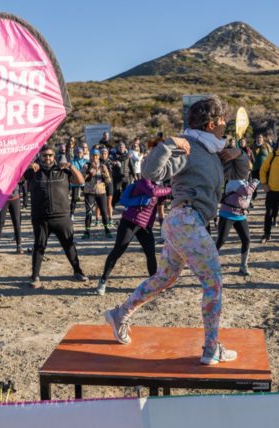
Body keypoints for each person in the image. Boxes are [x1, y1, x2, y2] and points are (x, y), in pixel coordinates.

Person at [104, 96, 247, 365]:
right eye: (222, 120)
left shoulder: (214, 150)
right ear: (211, 122)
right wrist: (167, 145)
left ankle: (120, 313)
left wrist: (239, 154)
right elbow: (150, 171)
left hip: (183, 223)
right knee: (213, 282)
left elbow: (241, 174)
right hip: (186, 220)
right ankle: (211, 348)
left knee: (165, 278)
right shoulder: (189, 146)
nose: (225, 124)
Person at [95, 178, 172, 296]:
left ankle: (154, 284)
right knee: (118, 251)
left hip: (145, 226)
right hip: (129, 222)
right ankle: (103, 281)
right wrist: (171, 189)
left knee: (151, 253)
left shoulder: (161, 186)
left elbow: (160, 207)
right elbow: (153, 192)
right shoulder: (145, 181)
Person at [26, 146, 89, 288]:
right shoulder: (34, 172)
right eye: (44, 156)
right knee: (39, 246)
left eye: (50, 155)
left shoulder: (63, 170)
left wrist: (71, 166)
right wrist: (26, 166)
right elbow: (17, 179)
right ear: (40, 156)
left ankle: (78, 272)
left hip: (62, 216)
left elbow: (80, 181)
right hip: (41, 217)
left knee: (69, 245)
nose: (47, 158)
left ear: (54, 156)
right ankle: (35, 276)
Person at [215, 154, 257, 276]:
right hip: (227, 214)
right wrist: (254, 183)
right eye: (246, 169)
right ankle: (209, 264)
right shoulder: (234, 181)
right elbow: (246, 191)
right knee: (221, 240)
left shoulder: (245, 181)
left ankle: (243, 266)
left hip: (240, 215)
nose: (248, 172)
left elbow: (248, 197)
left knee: (246, 239)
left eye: (249, 170)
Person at [82, 149, 113, 239]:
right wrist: (89, 173)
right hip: (89, 192)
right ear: (91, 156)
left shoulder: (103, 166)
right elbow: (81, 179)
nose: (95, 157)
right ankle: (87, 232)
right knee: (89, 212)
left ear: (99, 156)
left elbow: (108, 181)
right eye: (93, 155)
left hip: (101, 192)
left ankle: (107, 230)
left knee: (104, 212)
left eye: (97, 156)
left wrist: (104, 173)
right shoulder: (86, 166)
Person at [250, 134, 271, 200]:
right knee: (254, 184)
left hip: (265, 168)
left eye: (260, 137)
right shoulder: (252, 146)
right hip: (255, 168)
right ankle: (253, 196)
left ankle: (269, 196)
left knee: (267, 182)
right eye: (257, 137)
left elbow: (271, 154)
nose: (259, 138)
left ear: (263, 139)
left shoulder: (266, 145)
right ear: (255, 138)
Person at [69, 147, 88, 219]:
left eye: (80, 152)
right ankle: (72, 213)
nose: (79, 154)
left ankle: (88, 211)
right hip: (75, 182)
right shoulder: (72, 161)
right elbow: (70, 171)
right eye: (78, 152)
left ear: (83, 153)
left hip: (84, 181)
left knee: (87, 197)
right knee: (74, 198)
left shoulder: (86, 161)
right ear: (75, 153)